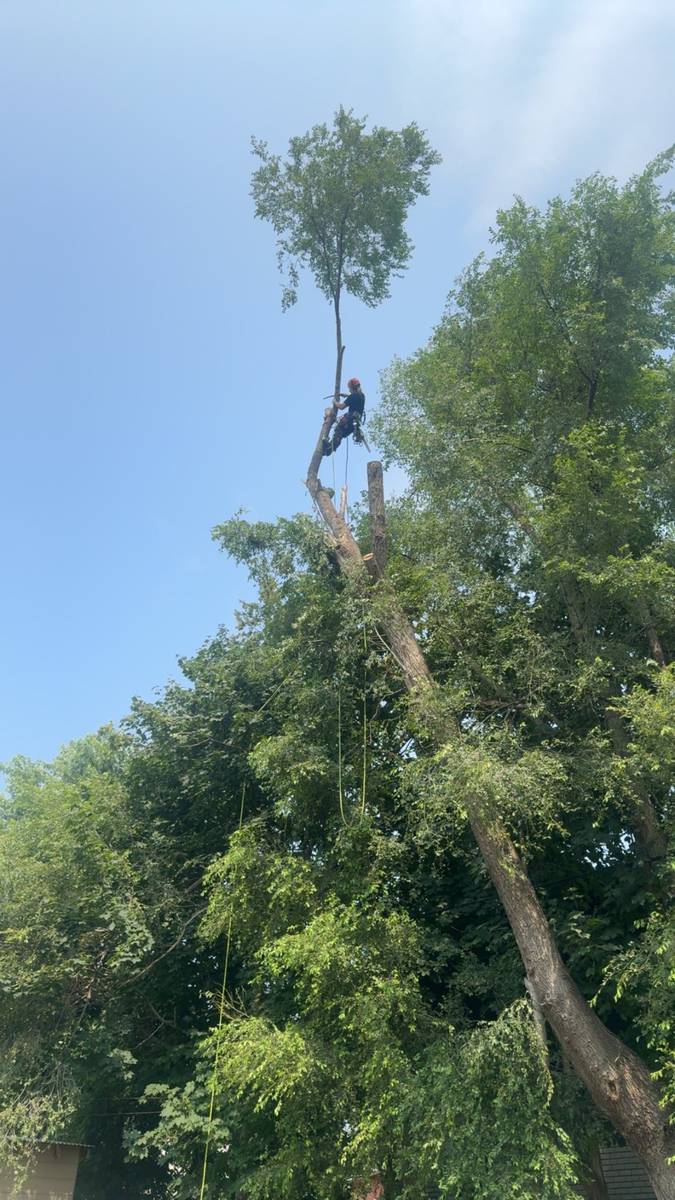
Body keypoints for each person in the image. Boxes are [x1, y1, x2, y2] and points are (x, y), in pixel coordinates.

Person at [322, 378, 366, 455]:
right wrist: (346, 395)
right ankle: (330, 448)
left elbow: (341, 407)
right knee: (340, 435)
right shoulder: (362, 396)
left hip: (350, 419)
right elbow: (354, 396)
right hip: (355, 424)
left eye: (349, 388)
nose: (349, 390)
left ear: (352, 387)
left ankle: (329, 448)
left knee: (339, 430)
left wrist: (334, 402)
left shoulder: (352, 396)